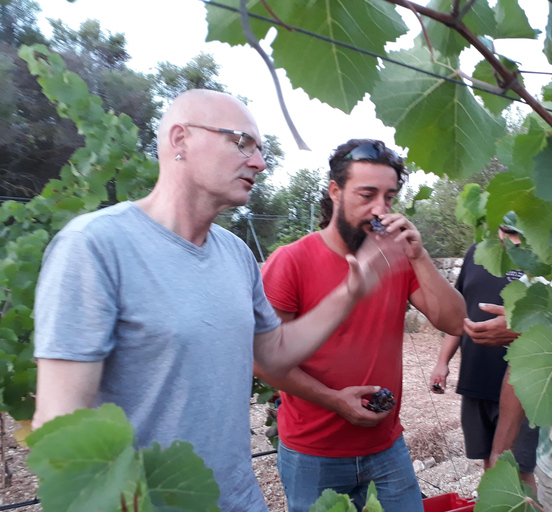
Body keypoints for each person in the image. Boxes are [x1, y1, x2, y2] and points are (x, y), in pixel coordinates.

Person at [32, 90, 390, 512]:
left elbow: (273, 357)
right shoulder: (94, 246)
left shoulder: (235, 254)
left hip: (239, 501)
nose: (259, 162)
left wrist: (351, 290)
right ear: (180, 140)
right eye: (242, 142)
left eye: (261, 150)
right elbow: (60, 427)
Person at [255, 139, 467, 512]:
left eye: (389, 197)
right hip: (312, 454)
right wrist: (334, 400)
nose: (380, 210)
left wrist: (419, 256)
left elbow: (454, 321)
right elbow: (264, 362)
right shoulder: (291, 261)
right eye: (367, 194)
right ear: (335, 192)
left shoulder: (396, 259)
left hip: (387, 448)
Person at [430, 213, 539, 490]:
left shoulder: (538, 256)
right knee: (489, 466)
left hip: (521, 383)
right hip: (475, 378)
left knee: (518, 472)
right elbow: (459, 314)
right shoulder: (476, 253)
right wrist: (442, 362)